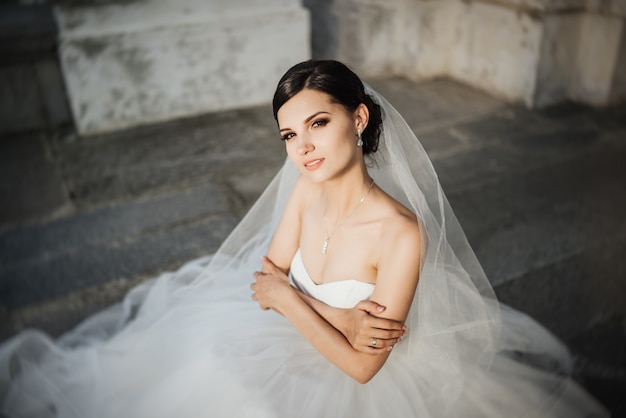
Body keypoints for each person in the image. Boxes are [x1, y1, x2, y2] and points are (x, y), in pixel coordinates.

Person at [0, 60, 608, 417]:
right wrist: (335, 313)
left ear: (358, 118)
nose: (303, 148)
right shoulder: (303, 192)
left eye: (317, 123)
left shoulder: (400, 233)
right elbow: (264, 280)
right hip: (293, 335)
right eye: (289, 135)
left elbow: (364, 367)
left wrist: (295, 300)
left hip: (359, 383)